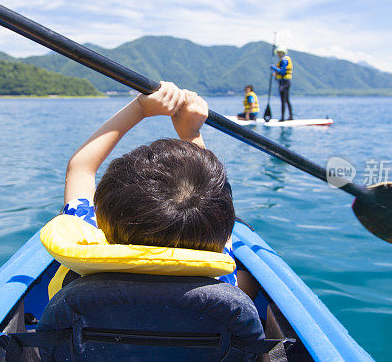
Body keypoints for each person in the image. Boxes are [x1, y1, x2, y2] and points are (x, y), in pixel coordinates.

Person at [58, 81, 257, 294]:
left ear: (104, 215)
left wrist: (140, 108)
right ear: (222, 222)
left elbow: (80, 168)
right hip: (200, 318)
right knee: (249, 283)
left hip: (96, 317)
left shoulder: (85, 249)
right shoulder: (223, 279)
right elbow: (215, 200)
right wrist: (192, 133)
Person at [270, 47, 293, 121]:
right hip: (284, 82)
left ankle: (283, 118)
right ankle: (290, 116)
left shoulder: (284, 60)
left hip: (284, 83)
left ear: (283, 53)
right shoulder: (283, 60)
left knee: (283, 100)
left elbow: (282, 72)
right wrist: (275, 72)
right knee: (286, 100)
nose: (278, 54)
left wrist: (273, 67)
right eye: (277, 52)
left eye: (279, 52)